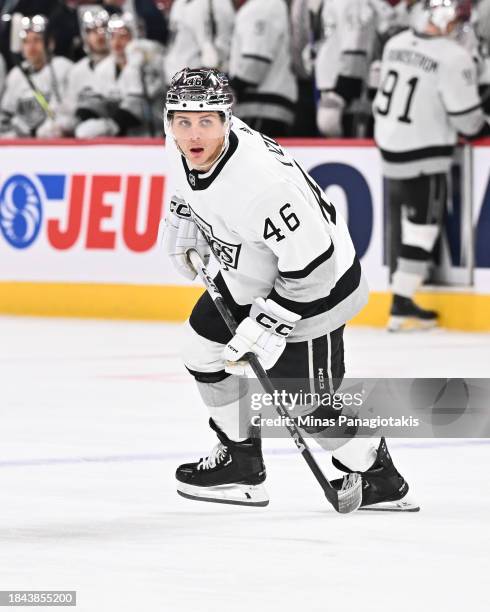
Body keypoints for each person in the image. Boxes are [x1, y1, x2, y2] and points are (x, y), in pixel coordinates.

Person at [161, 67, 419, 511]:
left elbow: (313, 268)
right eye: (182, 121)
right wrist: (184, 216)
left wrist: (268, 324)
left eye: (206, 121)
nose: (193, 133)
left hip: (318, 289)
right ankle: (241, 465)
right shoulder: (186, 142)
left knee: (305, 406)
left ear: (226, 119)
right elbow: (191, 181)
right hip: (253, 272)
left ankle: (379, 477)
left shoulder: (260, 184)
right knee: (202, 350)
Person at [374, 0, 490, 331]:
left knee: (404, 226)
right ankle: (401, 304)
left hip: (391, 148)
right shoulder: (454, 56)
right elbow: (467, 120)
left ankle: (400, 298)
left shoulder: (396, 43)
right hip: (424, 153)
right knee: (422, 229)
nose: (457, 26)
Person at [75, 11, 165, 138]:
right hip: (121, 141)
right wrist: (81, 118)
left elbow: (138, 105)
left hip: (153, 137)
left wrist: (110, 126)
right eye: (112, 36)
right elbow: (98, 100)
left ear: (135, 37)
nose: (117, 42)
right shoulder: (104, 68)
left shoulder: (149, 64)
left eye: (123, 36)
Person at [229, 0, 298, 137]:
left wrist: (230, 90)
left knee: (251, 158)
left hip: (261, 107)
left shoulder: (263, 6)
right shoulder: (265, 5)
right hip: (265, 105)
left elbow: (256, 62)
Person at [0, 14, 72, 138]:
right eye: (26, 42)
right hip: (23, 142)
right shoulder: (16, 74)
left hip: (54, 140)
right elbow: (6, 113)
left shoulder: (63, 67)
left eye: (37, 40)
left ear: (49, 43)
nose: (31, 46)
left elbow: (68, 111)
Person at [164, 0, 235, 83]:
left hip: (180, 74)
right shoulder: (214, 3)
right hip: (192, 79)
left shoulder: (181, 3)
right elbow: (211, 57)